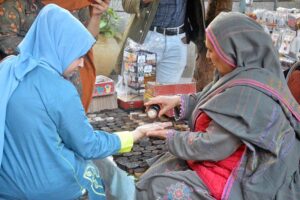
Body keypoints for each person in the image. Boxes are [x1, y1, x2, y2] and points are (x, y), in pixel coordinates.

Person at [0, 4, 171, 199]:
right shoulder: (59, 89)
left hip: (7, 186)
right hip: (51, 189)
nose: (82, 63)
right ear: (59, 47)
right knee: (101, 176)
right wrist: (132, 135)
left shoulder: (8, 69)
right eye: (78, 56)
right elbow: (87, 145)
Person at [133, 12, 300, 199]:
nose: (209, 57)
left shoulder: (249, 96)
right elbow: (214, 98)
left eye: (212, 50)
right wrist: (179, 102)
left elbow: (214, 146)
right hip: (222, 158)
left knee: (157, 186)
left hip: (240, 176)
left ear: (233, 51)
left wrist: (170, 136)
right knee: (160, 169)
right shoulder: (240, 72)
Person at [0, 0, 110, 112]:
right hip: (27, 74)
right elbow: (5, 40)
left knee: (69, 116)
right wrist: (47, 52)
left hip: (68, 75)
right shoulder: (16, 4)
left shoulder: (78, 2)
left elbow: (85, 42)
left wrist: (96, 15)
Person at [119, 0, 205, 84]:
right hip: (147, 39)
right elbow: (127, 4)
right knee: (137, 92)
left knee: (166, 94)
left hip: (177, 42)